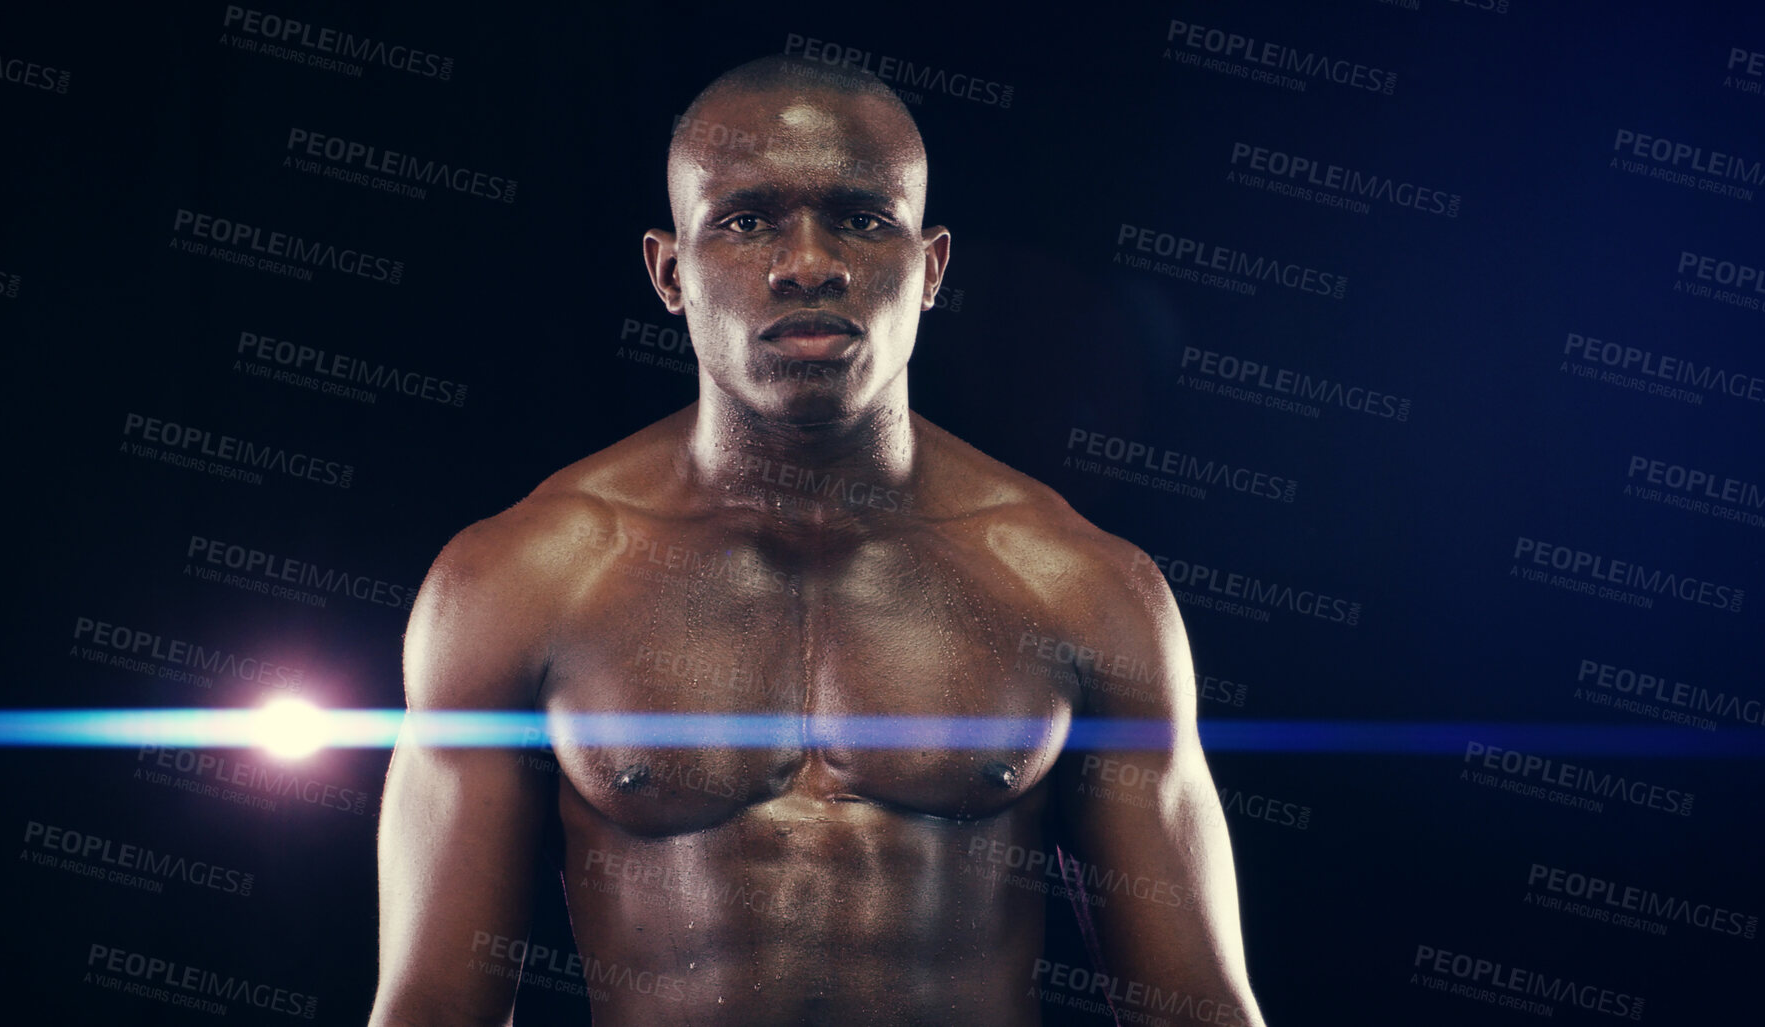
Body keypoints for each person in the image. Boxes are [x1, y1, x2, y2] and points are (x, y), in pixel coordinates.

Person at [369, 55, 1267, 1027]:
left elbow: (1198, 1011)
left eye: (862, 216)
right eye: (747, 219)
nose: (806, 263)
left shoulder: (1081, 588)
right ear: (671, 271)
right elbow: (433, 1007)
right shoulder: (520, 579)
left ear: (930, 268)